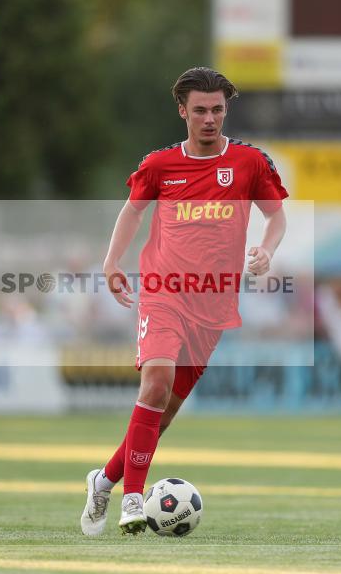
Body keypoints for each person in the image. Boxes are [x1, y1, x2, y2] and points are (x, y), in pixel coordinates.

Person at [80, 67, 288, 535]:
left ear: (225, 110)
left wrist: (266, 251)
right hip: (163, 292)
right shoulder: (159, 166)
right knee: (155, 382)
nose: (210, 118)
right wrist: (112, 263)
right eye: (200, 110)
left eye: (217, 109)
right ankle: (134, 499)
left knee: (163, 414)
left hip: (213, 306)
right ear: (183, 112)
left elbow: (276, 218)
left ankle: (105, 480)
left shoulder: (251, 163)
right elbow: (132, 212)